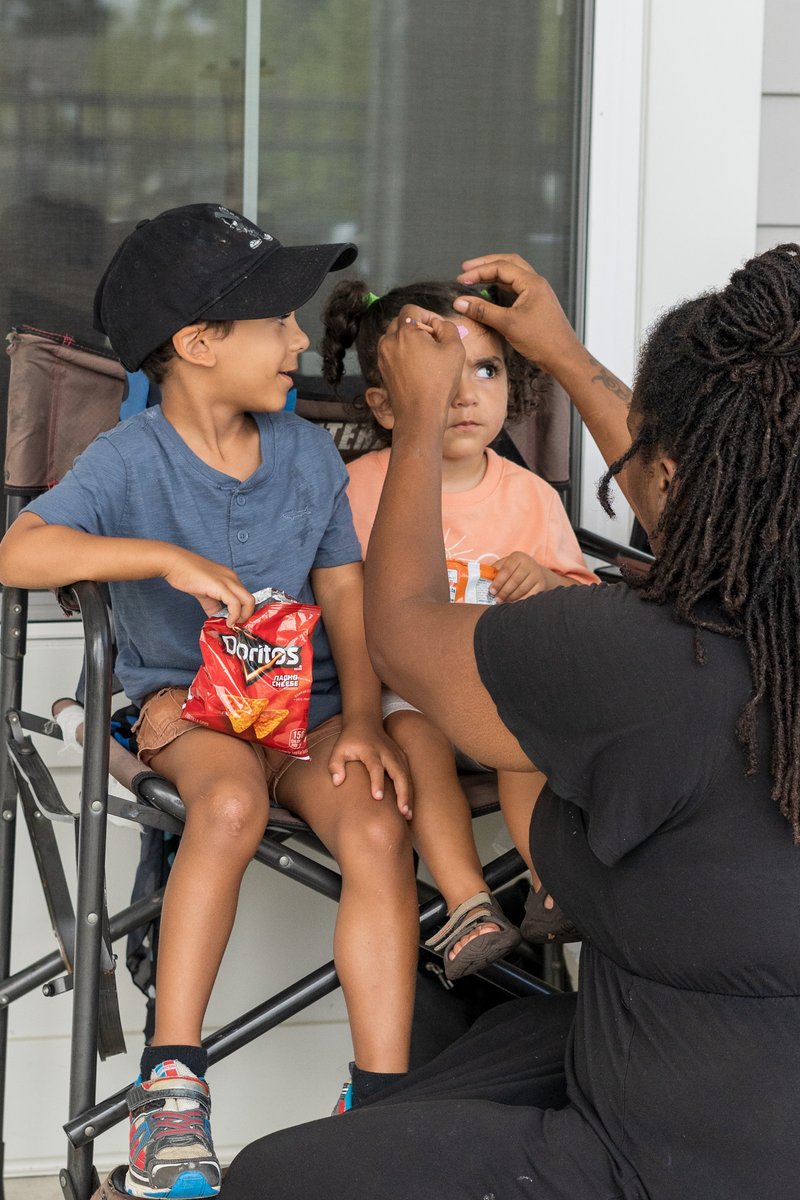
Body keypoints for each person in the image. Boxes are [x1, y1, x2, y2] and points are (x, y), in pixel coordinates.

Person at [218, 244, 800, 1200]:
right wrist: (563, 353)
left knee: (269, 1180)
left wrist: (413, 425)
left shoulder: (639, 658)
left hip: (667, 1161)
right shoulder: (741, 624)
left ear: (673, 465)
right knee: (500, 1035)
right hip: (694, 1071)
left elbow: (402, 634)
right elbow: (711, 492)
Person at [0, 204, 421, 1200]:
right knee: (227, 805)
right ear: (195, 344)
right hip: (183, 711)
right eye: (275, 320)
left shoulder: (306, 456)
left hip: (306, 709)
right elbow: (19, 553)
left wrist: (361, 718)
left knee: (372, 819)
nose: (294, 342)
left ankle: (383, 1097)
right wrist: (162, 557)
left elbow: (345, 594)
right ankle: (171, 1089)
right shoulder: (130, 460)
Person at [321, 279, 598, 973]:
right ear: (387, 405)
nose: (467, 393)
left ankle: (549, 881)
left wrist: (544, 581)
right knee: (416, 738)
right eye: (445, 374)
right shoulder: (361, 487)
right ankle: (468, 902)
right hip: (409, 692)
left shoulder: (529, 495)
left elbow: (581, 600)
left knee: (525, 746)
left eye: (486, 369)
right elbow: (338, 601)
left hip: (504, 691)